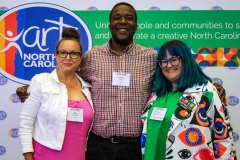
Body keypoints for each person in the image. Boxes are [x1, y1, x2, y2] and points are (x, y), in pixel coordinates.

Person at [80, 2, 157, 160]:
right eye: (117, 18)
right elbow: (68, 81)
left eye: (128, 18)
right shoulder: (92, 56)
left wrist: (207, 87)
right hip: (99, 147)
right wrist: (35, 89)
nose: (123, 21)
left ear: (136, 25)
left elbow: (174, 82)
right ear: (110, 25)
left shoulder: (151, 57)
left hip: (135, 149)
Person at [141, 40, 237, 160]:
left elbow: (223, 137)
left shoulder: (206, 92)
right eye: (164, 61)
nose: (168, 65)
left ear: (185, 60)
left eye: (174, 59)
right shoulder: (156, 94)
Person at [18, 28, 94, 160]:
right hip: (46, 155)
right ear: (56, 55)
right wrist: (28, 155)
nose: (68, 58)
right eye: (63, 53)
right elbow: (26, 122)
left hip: (78, 155)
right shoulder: (41, 81)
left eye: (74, 53)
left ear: (80, 57)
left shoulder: (87, 87)